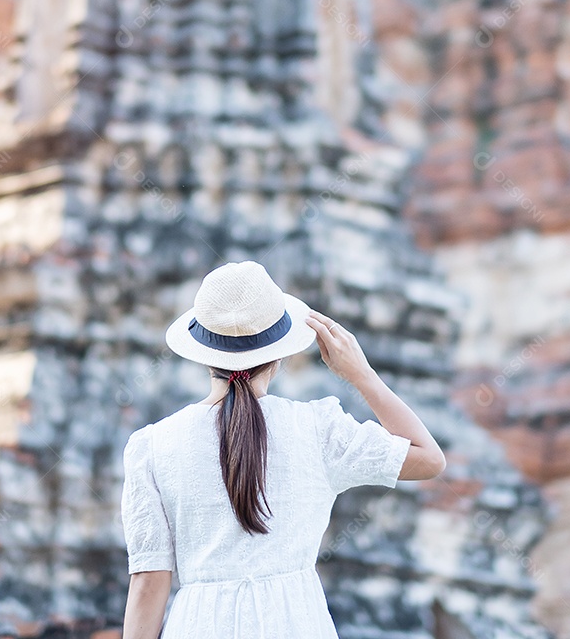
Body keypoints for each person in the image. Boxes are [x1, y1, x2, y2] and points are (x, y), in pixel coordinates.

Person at [120, 261, 446, 639]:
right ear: (278, 355)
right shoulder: (319, 429)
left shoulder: (153, 446)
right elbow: (429, 458)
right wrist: (361, 373)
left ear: (204, 353)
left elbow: (148, 580)